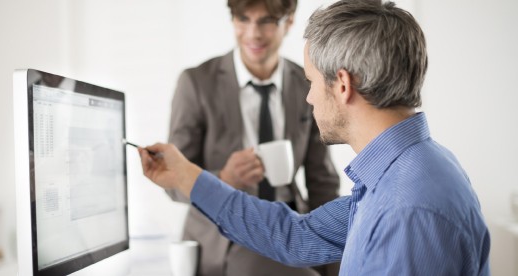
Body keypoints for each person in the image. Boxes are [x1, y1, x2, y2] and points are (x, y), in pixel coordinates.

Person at [140, 0, 491, 275]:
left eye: (311, 82)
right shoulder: (401, 173)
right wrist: (187, 175)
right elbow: (297, 236)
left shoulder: (409, 208)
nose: (307, 97)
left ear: (342, 84)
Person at [166, 0, 341, 275]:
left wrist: (335, 257)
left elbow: (322, 180)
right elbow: (172, 181)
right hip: (227, 232)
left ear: (289, 21)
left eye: (266, 21)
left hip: (291, 225)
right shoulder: (197, 83)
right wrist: (222, 179)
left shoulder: (306, 82)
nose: (253, 33)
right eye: (243, 19)